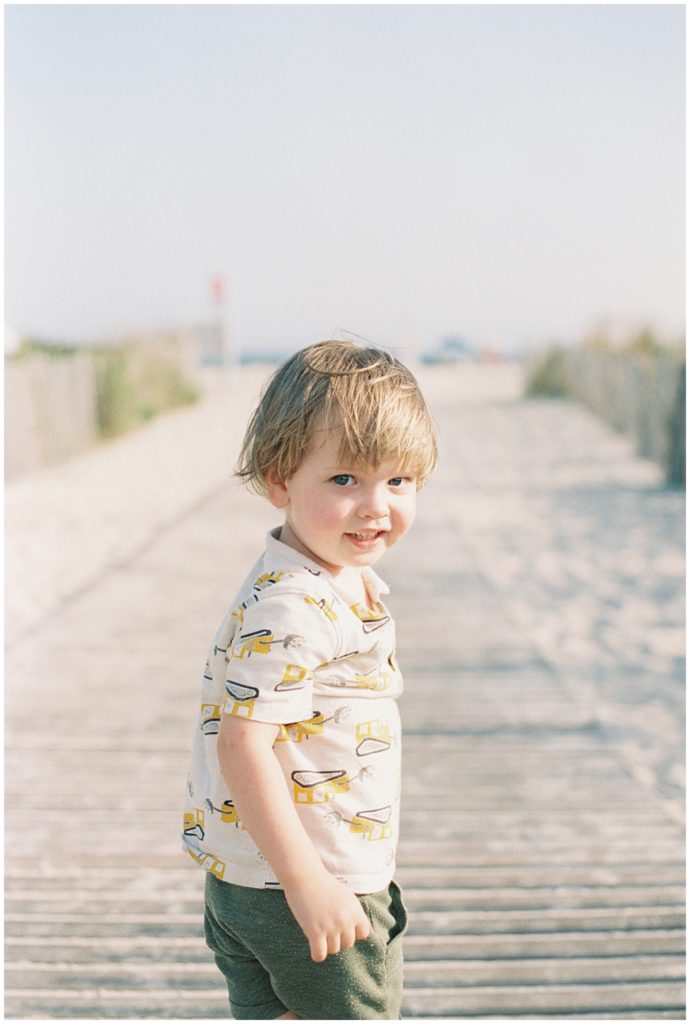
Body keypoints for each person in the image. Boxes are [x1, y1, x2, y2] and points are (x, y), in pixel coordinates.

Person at [183, 340, 438, 1019]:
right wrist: (308, 884)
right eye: (345, 480)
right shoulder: (297, 604)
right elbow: (242, 744)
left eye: (399, 481)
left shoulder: (315, 577)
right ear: (279, 479)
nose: (376, 506)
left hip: (247, 880)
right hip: (307, 880)